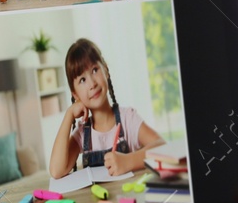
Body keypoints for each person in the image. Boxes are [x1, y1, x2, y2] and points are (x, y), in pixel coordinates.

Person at [47, 38, 162, 181]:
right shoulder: (83, 134)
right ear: (75, 94)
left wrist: (129, 161)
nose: (92, 84)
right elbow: (56, 170)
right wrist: (69, 114)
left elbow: (161, 146)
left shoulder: (127, 119)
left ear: (106, 70)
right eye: (82, 80)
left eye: (95, 70)